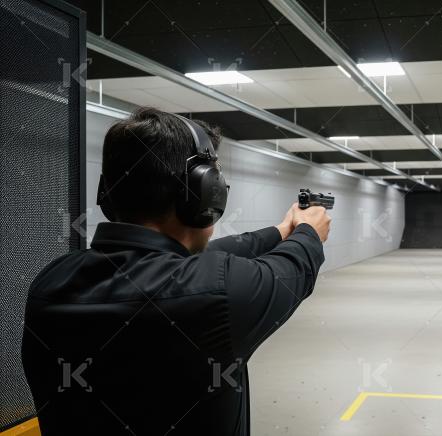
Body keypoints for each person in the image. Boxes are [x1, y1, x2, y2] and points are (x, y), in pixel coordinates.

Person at [21, 107, 331, 435]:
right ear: (203, 194)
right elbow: (294, 266)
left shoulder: (51, 282)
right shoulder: (219, 295)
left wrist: (283, 229)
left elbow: (190, 264)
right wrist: (309, 232)